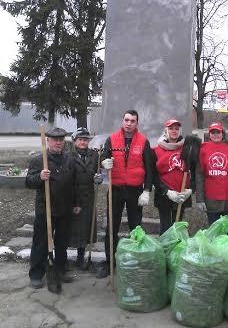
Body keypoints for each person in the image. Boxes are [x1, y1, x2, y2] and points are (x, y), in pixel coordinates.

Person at [96, 110, 153, 278]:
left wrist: (147, 190)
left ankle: (135, 259)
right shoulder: (112, 139)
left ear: (137, 123)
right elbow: (103, 159)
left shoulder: (143, 141)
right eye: (126, 120)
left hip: (135, 190)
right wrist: (103, 162)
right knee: (112, 226)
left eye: (132, 121)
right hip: (116, 189)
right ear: (122, 121)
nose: (129, 123)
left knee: (136, 227)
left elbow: (150, 168)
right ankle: (109, 262)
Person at [25, 127, 77, 290]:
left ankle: (60, 269)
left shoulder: (69, 159)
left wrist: (75, 203)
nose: (58, 143)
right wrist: (40, 177)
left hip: (65, 207)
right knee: (41, 242)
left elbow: (73, 184)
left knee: (62, 242)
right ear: (48, 141)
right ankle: (36, 273)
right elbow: (28, 182)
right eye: (55, 140)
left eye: (61, 140)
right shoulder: (38, 160)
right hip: (45, 208)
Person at [196, 122, 228, 225]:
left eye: (218, 132)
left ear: (222, 133)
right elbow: (199, 175)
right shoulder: (203, 149)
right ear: (209, 134)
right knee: (213, 231)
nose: (215, 135)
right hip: (211, 199)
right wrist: (199, 199)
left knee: (227, 233)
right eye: (213, 132)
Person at [152, 119, 197, 234]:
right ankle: (166, 251)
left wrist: (190, 190)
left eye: (177, 129)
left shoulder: (188, 149)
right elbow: (153, 175)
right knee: (166, 228)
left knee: (177, 227)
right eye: (171, 128)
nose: (174, 131)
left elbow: (195, 171)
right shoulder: (156, 150)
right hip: (164, 196)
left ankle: (175, 251)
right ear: (165, 131)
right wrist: (167, 192)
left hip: (182, 194)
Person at [68, 127, 102, 269]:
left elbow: (99, 169)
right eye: (80, 139)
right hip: (72, 195)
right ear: (75, 140)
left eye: (85, 139)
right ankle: (63, 259)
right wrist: (73, 202)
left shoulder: (94, 155)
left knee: (85, 228)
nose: (83, 142)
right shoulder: (68, 155)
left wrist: (98, 178)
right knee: (71, 228)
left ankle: (81, 258)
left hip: (88, 196)